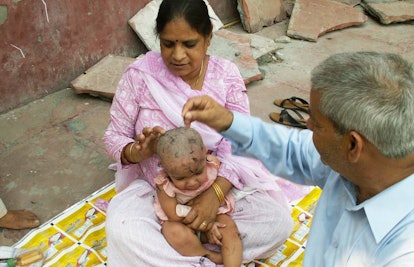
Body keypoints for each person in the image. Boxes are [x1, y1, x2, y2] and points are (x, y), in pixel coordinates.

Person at [103, 0, 293, 266]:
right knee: (124, 231)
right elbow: (114, 136)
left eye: (189, 44)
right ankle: (209, 254)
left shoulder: (226, 75)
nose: (178, 55)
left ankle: (186, 252)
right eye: (168, 44)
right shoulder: (139, 76)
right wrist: (139, 151)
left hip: (217, 182)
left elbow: (240, 141)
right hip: (158, 194)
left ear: (208, 38)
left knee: (277, 223)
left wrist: (214, 195)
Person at [182, 51, 414, 266]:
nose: (307, 125)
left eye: (317, 124)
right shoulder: (356, 166)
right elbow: (291, 150)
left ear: (353, 145)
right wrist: (227, 121)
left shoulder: (402, 253)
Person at [154, 127, 242, 267]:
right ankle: (206, 254)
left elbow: (230, 177)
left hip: (214, 214)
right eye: (181, 178)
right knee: (171, 231)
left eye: (198, 172)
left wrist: (211, 219)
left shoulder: (212, 164)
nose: (192, 182)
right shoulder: (164, 185)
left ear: (205, 153)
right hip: (185, 224)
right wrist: (208, 224)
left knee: (229, 229)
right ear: (164, 168)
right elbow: (174, 215)